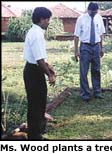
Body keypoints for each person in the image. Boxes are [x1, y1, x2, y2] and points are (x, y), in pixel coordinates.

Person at [23, 7, 56, 140]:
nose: (49, 22)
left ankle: (36, 132)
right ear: (42, 19)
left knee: (38, 102)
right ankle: (35, 136)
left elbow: (42, 59)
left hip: (34, 70)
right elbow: (39, 60)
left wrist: (49, 68)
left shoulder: (35, 32)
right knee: (36, 103)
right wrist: (49, 75)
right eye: (48, 19)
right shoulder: (36, 34)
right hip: (33, 71)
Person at [74, 2, 106, 103]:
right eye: (93, 12)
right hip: (85, 47)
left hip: (96, 46)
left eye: (96, 12)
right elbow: (76, 36)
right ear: (89, 10)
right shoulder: (81, 19)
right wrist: (76, 51)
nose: (94, 14)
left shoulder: (99, 18)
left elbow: (101, 34)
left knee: (96, 69)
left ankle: (97, 92)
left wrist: (102, 47)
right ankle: (85, 94)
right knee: (84, 72)